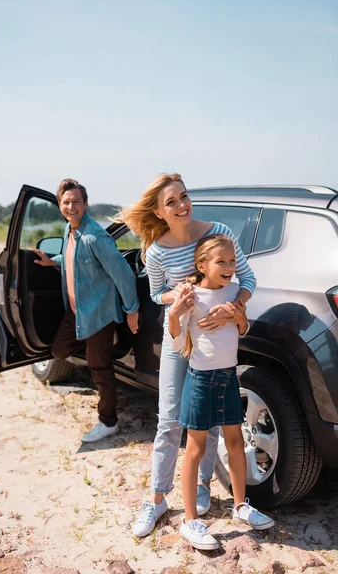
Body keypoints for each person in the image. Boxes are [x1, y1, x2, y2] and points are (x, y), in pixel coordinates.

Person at [119, 173, 257, 537]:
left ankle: (201, 487)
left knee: (209, 420)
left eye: (184, 196)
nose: (182, 205)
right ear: (160, 212)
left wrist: (235, 307)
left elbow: (247, 278)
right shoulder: (157, 252)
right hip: (177, 338)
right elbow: (155, 294)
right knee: (169, 418)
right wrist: (176, 299)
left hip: (214, 340)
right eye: (172, 202)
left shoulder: (218, 231)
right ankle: (157, 498)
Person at [168, 234, 274, 549]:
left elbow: (242, 329)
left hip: (228, 377)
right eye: (221, 262)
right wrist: (174, 314)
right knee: (196, 450)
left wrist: (240, 318)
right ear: (202, 265)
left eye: (231, 261)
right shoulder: (191, 296)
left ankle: (241, 505)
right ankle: (190, 521)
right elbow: (176, 341)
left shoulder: (234, 293)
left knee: (236, 442)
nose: (229, 267)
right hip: (200, 381)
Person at [33, 178, 139, 443]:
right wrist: (52, 261)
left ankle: (108, 422)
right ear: (60, 205)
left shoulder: (96, 236)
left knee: (100, 369)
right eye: (66, 202)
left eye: (76, 202)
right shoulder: (71, 231)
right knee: (58, 350)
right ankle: (99, 348)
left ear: (85, 204)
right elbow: (74, 259)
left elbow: (123, 275)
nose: (71, 206)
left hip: (99, 314)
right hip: (77, 311)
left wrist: (132, 309)